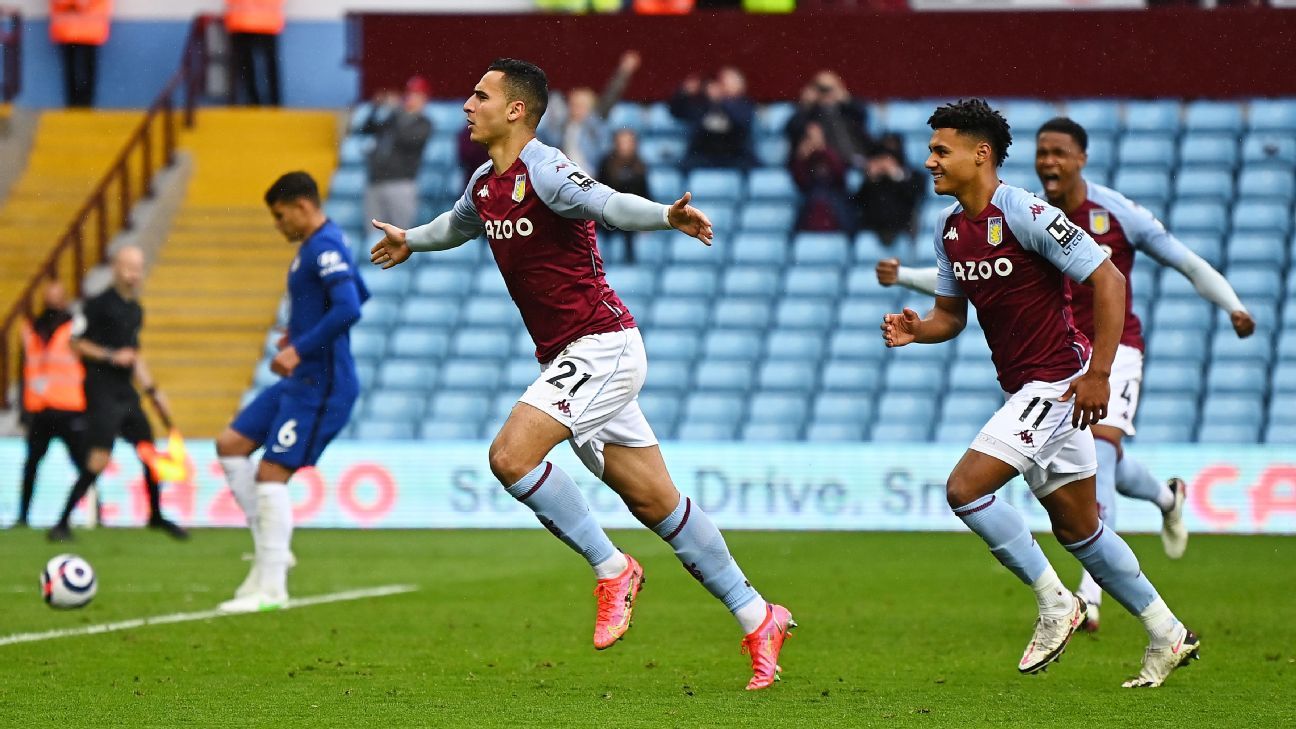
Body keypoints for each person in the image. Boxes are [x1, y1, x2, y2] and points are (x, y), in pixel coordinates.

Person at [369, 58, 794, 691]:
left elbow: (609, 204)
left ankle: (612, 567)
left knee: (511, 457)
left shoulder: (547, 170)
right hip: (571, 357)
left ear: (516, 110)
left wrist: (666, 215)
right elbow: (454, 226)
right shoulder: (486, 181)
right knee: (657, 503)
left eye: (480, 96)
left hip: (602, 346)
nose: (467, 105)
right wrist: (410, 238)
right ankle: (759, 616)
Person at [877, 115, 1256, 632]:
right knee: (1080, 528)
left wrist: (1100, 373)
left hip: (1077, 370)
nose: (929, 162)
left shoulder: (1036, 212)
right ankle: (1168, 629)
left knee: (966, 489)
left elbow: (1121, 277)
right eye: (1043, 152)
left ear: (982, 154)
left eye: (941, 151)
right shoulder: (950, 228)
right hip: (1034, 378)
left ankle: (1068, 602)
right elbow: (951, 314)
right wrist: (917, 329)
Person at [214, 171, 369, 613]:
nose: (278, 225)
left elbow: (349, 308)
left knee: (271, 475)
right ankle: (270, 552)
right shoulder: (320, 245)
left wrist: (300, 347)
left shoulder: (324, 247)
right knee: (230, 445)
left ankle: (272, 588)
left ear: (302, 206)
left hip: (323, 385)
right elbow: (358, 292)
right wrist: (299, 332)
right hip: (300, 380)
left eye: (281, 216)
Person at [47, 246, 187, 542]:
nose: (134, 274)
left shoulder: (135, 309)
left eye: (138, 268)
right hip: (101, 390)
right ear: (116, 268)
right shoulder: (96, 304)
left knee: (148, 450)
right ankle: (61, 522)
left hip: (126, 391)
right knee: (99, 457)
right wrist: (110, 355)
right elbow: (75, 343)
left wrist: (153, 392)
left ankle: (156, 515)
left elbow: (134, 356)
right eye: (129, 268)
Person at [15, 279, 92, 528]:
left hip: (70, 408)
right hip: (40, 409)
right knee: (31, 465)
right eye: (49, 296)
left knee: (86, 466)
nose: (53, 302)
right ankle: (23, 517)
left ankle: (98, 514)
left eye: (57, 296)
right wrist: (24, 409)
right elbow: (25, 371)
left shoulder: (75, 328)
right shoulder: (31, 329)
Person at [538, 50, 641, 173]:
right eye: (573, 105)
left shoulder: (595, 123)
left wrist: (624, 71)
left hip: (589, 174)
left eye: (581, 106)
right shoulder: (563, 124)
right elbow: (550, 139)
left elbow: (611, 95)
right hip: (562, 173)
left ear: (589, 108)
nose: (576, 109)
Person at [353, 77, 433, 230]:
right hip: (376, 181)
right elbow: (366, 128)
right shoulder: (393, 118)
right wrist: (376, 107)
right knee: (374, 235)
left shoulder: (424, 123)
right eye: (409, 94)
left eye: (416, 95)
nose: (411, 98)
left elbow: (406, 139)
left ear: (424, 99)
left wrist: (396, 110)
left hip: (401, 183)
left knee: (400, 234)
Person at [669, 66, 756, 170]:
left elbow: (741, 121)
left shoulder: (745, 104)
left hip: (735, 156)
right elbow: (676, 112)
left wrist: (721, 100)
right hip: (703, 156)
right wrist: (684, 93)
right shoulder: (702, 105)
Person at [784, 70, 871, 165]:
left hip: (857, 158)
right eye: (821, 89)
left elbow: (864, 115)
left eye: (829, 88)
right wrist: (806, 105)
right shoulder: (810, 112)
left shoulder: (848, 110)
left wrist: (846, 99)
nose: (825, 93)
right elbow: (793, 128)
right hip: (827, 163)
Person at [855, 137, 923, 244]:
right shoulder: (869, 178)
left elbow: (915, 196)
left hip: (903, 228)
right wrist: (871, 179)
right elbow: (858, 202)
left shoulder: (913, 175)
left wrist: (897, 175)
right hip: (873, 228)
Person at [597, 128, 651, 262]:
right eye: (622, 142)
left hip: (630, 217)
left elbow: (645, 195)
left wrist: (647, 220)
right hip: (607, 215)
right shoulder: (606, 163)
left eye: (628, 142)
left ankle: (630, 262)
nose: (625, 146)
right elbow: (598, 191)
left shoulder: (640, 166)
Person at [789, 120, 852, 232]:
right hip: (811, 195)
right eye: (810, 136)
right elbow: (801, 182)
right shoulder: (803, 156)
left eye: (816, 135)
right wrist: (801, 158)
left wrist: (824, 150)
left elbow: (841, 177)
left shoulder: (832, 152)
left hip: (834, 195)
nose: (814, 140)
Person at [49, 0, 112, 108]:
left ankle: (82, 103)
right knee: (77, 68)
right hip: (70, 29)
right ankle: (78, 103)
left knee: (82, 68)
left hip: (85, 29)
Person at [225, 0, 283, 106]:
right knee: (268, 64)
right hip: (265, 21)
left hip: (242, 20)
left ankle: (253, 101)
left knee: (246, 65)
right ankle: (273, 102)